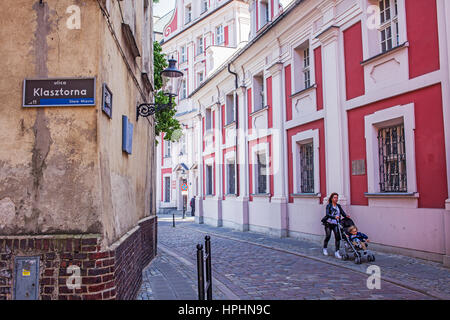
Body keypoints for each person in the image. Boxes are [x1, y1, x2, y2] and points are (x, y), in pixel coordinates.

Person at [322, 192, 350, 259]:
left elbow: (342, 213)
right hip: (328, 223)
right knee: (328, 236)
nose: (336, 199)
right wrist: (334, 217)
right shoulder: (329, 205)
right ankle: (325, 248)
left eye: (337, 197)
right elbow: (327, 214)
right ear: (331, 198)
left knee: (337, 237)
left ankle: (337, 252)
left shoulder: (338, 206)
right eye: (334, 197)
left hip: (336, 223)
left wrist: (346, 216)